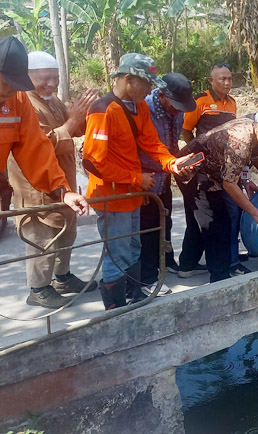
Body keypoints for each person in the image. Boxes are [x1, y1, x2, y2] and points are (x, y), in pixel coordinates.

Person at [0, 36, 88, 349]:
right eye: (8, 85)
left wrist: (62, 190)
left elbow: (35, 149)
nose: (13, 93)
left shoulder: (16, 102)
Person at [82, 53, 197, 310]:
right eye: (146, 84)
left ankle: (134, 297)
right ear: (128, 79)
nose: (149, 90)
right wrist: (135, 178)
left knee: (133, 247)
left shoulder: (139, 106)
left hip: (133, 193)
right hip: (112, 195)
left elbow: (150, 142)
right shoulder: (104, 110)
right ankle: (115, 307)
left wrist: (171, 163)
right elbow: (93, 161)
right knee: (118, 251)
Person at [5, 51, 97, 309]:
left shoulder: (51, 101)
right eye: (44, 79)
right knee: (42, 240)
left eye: (55, 78)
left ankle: (62, 278)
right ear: (27, 77)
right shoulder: (24, 104)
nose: (51, 84)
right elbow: (41, 146)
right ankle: (38, 288)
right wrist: (73, 120)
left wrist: (83, 115)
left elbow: (74, 129)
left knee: (66, 234)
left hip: (63, 185)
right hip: (36, 187)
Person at [178, 112, 258, 282]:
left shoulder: (254, 130)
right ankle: (219, 277)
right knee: (217, 224)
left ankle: (187, 264)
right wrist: (255, 212)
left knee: (199, 219)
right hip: (193, 172)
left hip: (209, 170)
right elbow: (229, 184)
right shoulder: (241, 142)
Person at [178, 62, 236, 278]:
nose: (227, 82)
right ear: (211, 80)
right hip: (200, 170)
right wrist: (198, 154)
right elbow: (186, 130)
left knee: (197, 218)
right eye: (222, 78)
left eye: (229, 78)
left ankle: (188, 264)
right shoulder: (200, 102)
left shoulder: (232, 104)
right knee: (214, 219)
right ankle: (218, 270)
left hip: (220, 167)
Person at [139, 72, 196, 294]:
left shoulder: (179, 112)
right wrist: (138, 180)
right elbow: (137, 147)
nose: (178, 110)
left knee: (165, 222)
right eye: (175, 105)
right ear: (161, 95)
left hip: (166, 174)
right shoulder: (145, 109)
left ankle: (166, 260)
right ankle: (147, 278)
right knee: (147, 230)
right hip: (144, 178)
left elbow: (172, 143)